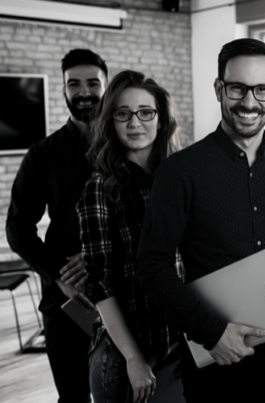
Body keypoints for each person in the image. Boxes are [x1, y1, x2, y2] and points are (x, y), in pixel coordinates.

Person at [134, 38, 265, 402]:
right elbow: (151, 265)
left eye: (263, 89)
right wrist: (212, 333)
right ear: (219, 89)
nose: (250, 102)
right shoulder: (180, 171)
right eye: (238, 88)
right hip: (213, 359)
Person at [6, 48, 107, 403]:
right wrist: (60, 276)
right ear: (63, 90)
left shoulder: (130, 144)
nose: (84, 92)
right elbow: (18, 228)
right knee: (73, 396)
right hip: (68, 300)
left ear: (106, 87)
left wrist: (100, 255)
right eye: (74, 84)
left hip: (126, 291)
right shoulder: (42, 154)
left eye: (93, 83)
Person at [76, 70, 182, 403]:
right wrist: (134, 359)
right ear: (111, 121)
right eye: (123, 114)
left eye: (146, 112)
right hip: (127, 358)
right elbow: (100, 284)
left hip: (181, 341)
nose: (135, 122)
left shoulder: (179, 177)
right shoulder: (101, 186)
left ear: (161, 119)